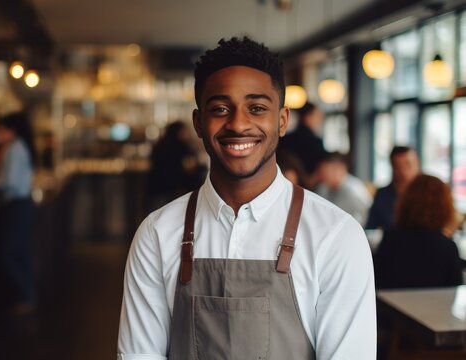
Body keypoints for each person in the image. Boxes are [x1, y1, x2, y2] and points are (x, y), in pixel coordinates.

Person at [118, 37, 376, 359]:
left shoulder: (337, 236)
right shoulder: (156, 234)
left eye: (256, 108)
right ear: (199, 123)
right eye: (220, 109)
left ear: (281, 121)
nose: (238, 123)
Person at [0, 111, 36, 314]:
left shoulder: (15, 148)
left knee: (7, 254)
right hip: (23, 205)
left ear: (10, 130)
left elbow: (10, 182)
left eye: (1, 129)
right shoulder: (20, 146)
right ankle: (26, 296)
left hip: (18, 206)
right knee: (20, 253)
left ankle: (25, 295)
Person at [374, 174, 463, 289]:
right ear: (443, 207)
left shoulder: (390, 239)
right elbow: (455, 292)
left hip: (390, 306)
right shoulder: (447, 247)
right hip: (432, 307)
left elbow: (377, 284)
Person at [147, 120, 203, 211]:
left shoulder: (160, 146)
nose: (187, 134)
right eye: (184, 131)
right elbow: (189, 169)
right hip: (172, 192)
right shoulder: (182, 148)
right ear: (178, 132)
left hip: (158, 190)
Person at [365, 146, 420, 231]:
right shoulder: (382, 195)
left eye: (408, 165)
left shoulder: (429, 195)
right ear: (392, 167)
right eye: (398, 166)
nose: (403, 171)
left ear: (417, 163)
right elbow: (371, 228)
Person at [277, 101, 328, 188]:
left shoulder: (285, 138)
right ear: (308, 116)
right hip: (308, 185)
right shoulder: (315, 141)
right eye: (318, 116)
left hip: (282, 181)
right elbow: (321, 166)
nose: (319, 120)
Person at [315, 152, 373, 225]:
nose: (323, 174)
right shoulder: (323, 187)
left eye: (327, 170)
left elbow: (366, 216)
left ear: (341, 168)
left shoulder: (353, 188)